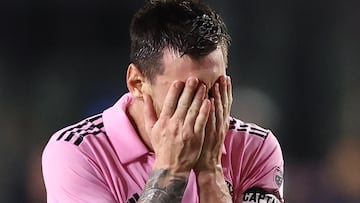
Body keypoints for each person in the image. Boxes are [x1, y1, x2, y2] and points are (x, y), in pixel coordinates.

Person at [42, 0, 285, 202]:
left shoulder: (255, 147)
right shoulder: (78, 153)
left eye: (215, 90)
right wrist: (171, 170)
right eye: (187, 94)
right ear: (137, 83)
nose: (205, 108)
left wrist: (210, 171)